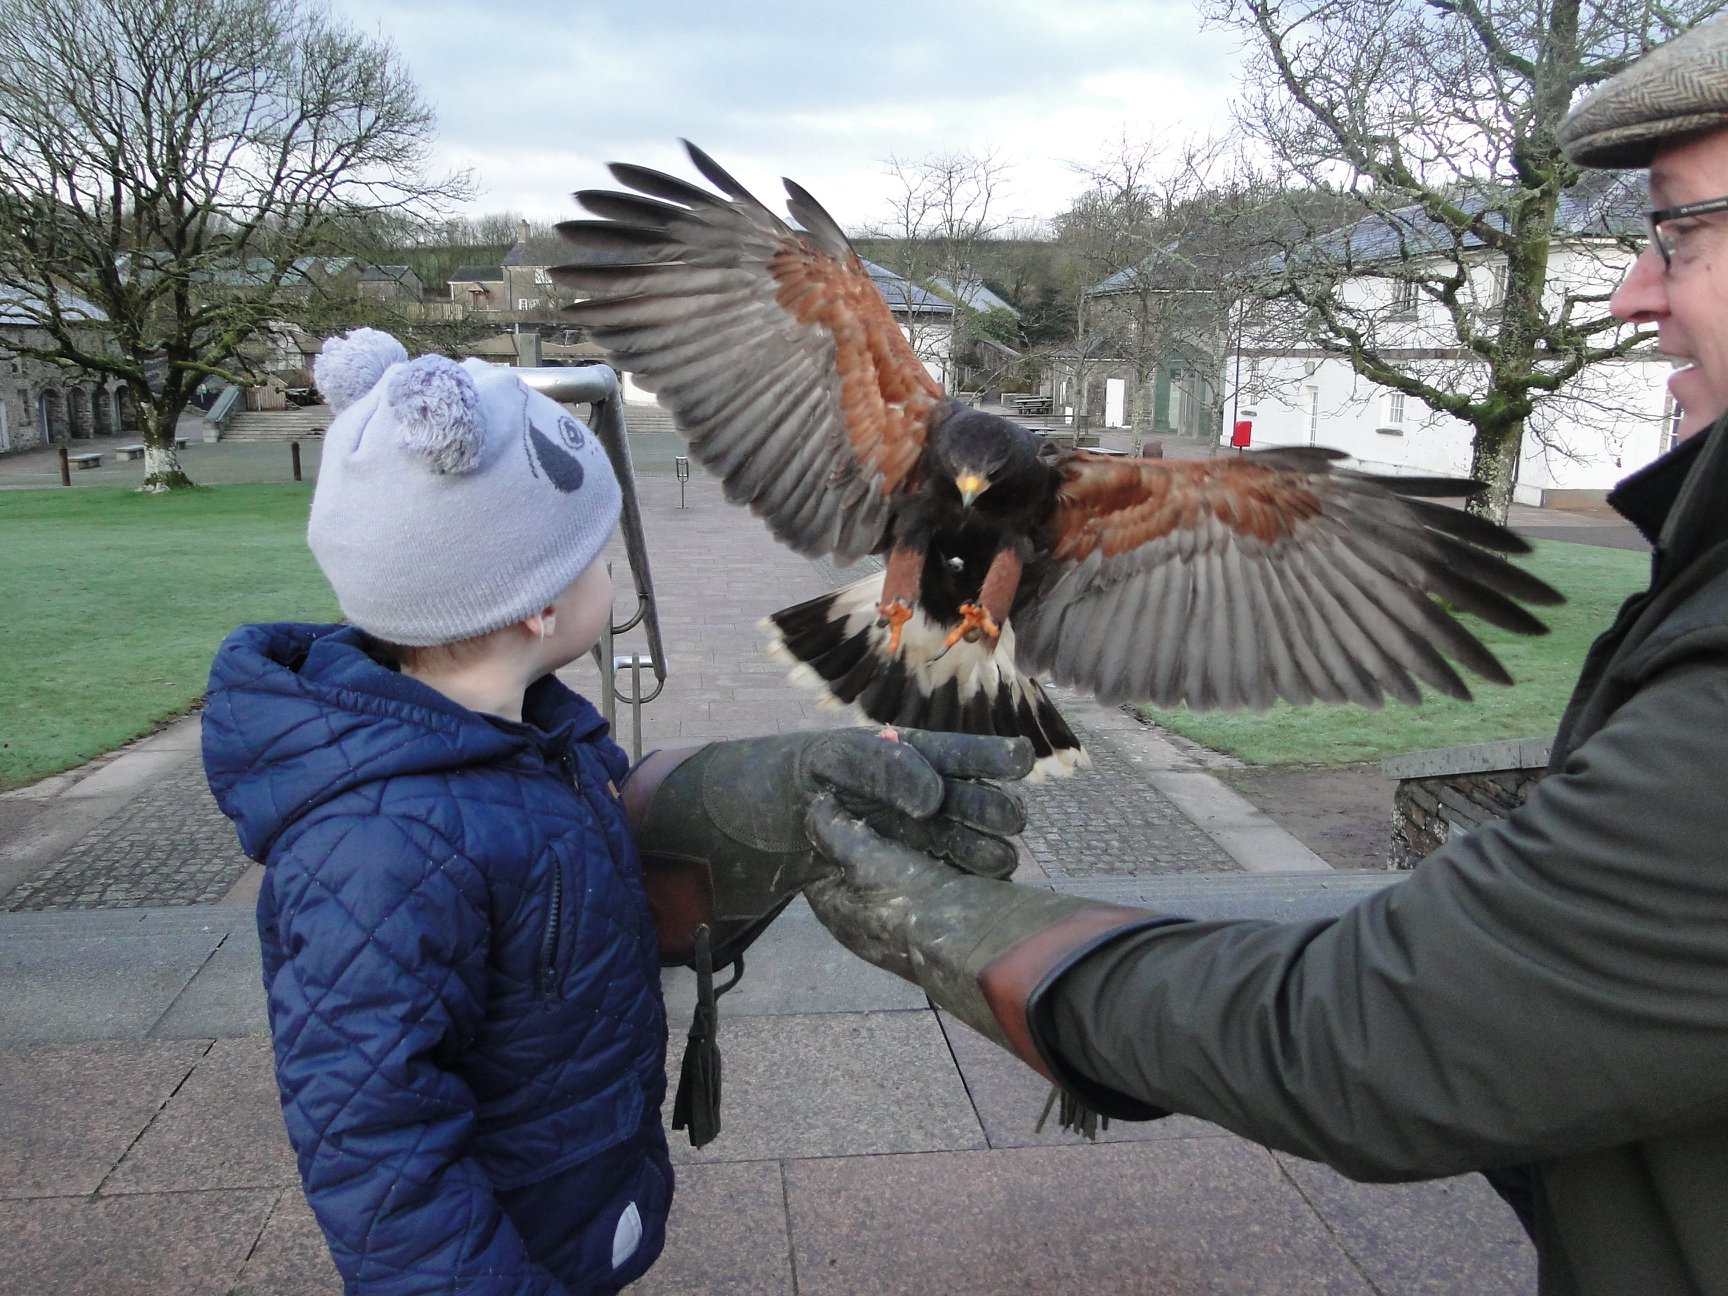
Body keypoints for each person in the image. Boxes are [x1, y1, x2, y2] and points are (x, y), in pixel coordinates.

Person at [799, 20, 1728, 1296]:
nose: (1629, 288)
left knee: (1249, 489)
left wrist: (991, 946)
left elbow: (1395, 1034)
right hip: (904, 601)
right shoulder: (906, 413)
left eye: (1677, 229)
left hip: (992, 620)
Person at [200, 327, 1027, 1296]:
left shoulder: (536, 737)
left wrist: (777, 803)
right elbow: (374, 1146)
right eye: (596, 553)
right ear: (538, 608)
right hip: (504, 1249)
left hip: (569, 1189)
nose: (611, 572)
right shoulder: (376, 847)